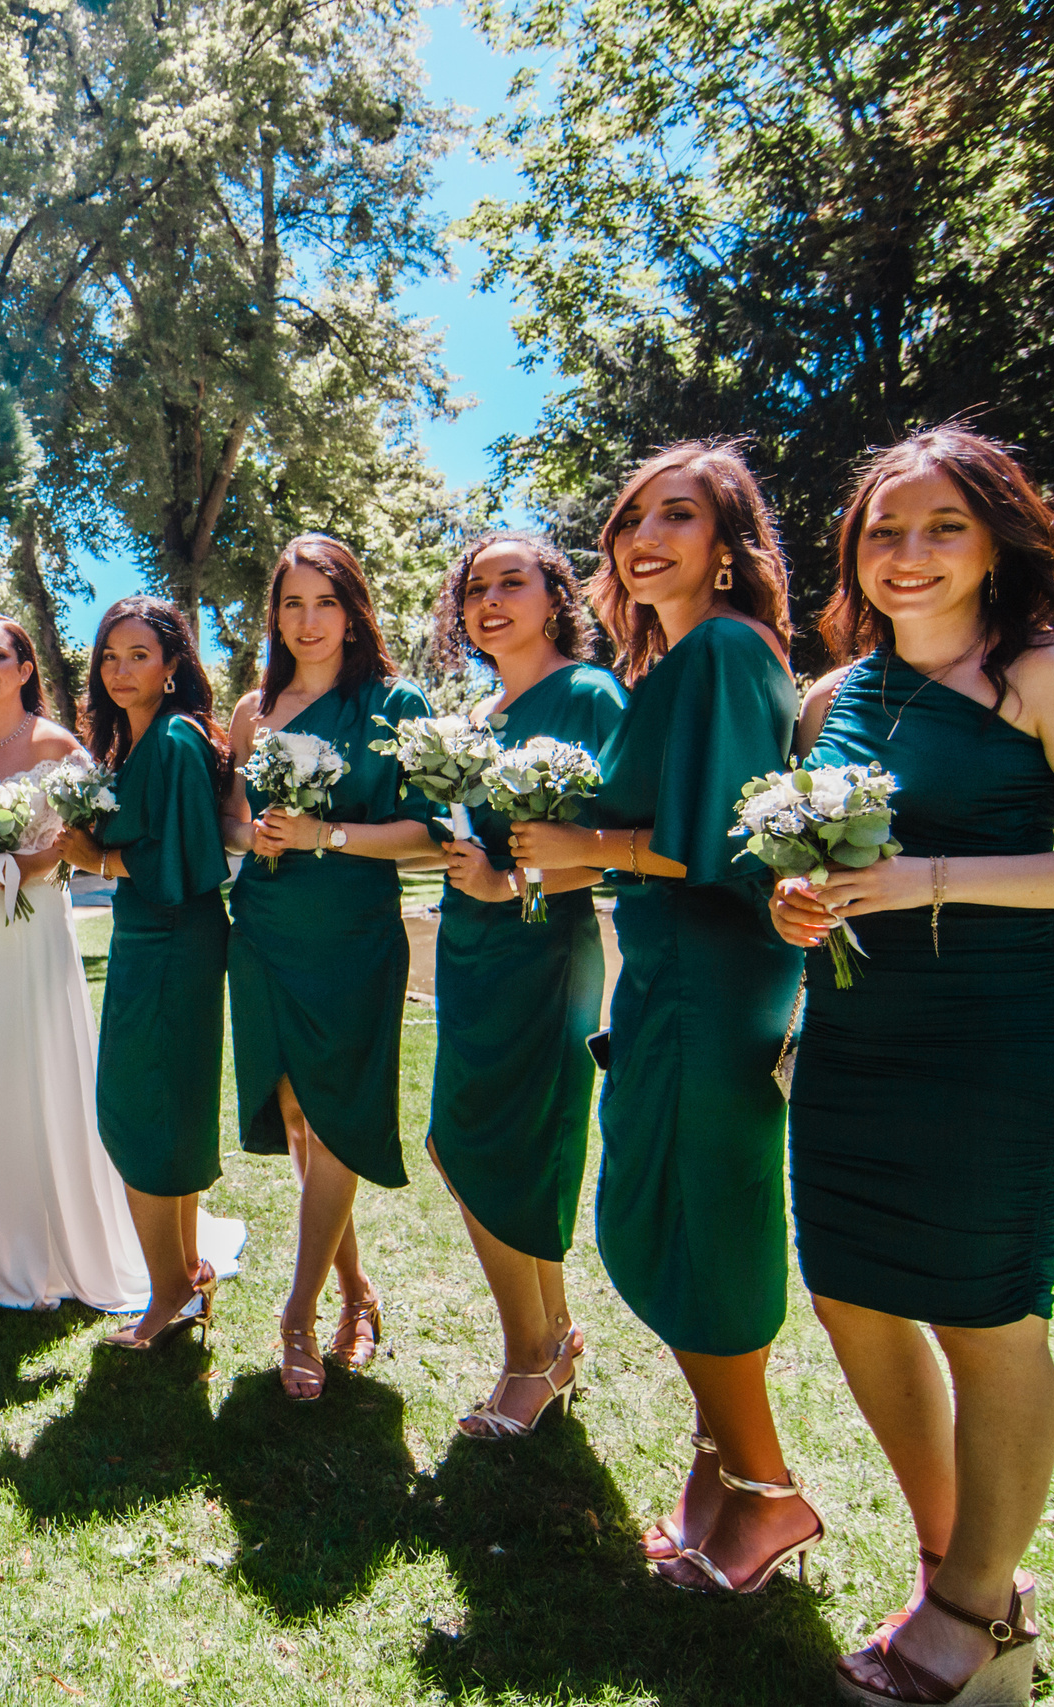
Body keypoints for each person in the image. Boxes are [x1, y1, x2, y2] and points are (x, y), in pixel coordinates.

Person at [770, 427, 1054, 1706]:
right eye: (883, 531)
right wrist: (805, 901)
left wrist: (927, 880)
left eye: (941, 526)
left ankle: (970, 1621)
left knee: (983, 1310)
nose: (908, 556)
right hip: (857, 1043)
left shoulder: (1051, 674)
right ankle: (966, 1563)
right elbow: (839, 864)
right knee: (848, 1292)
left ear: (998, 537)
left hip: (1003, 1045)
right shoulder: (830, 699)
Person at [509, 440, 812, 1593]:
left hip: (708, 975)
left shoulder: (727, 652)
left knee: (696, 1226)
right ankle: (717, 1478)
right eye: (629, 518)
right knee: (666, 1217)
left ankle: (769, 1495)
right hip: (666, 971)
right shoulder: (682, 660)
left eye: (674, 516)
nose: (642, 537)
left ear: (727, 547)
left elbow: (706, 845)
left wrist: (587, 847)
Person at [0, 615, 210, 1319]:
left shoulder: (62, 747)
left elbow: (81, 840)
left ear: (25, 669)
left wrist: (29, 860)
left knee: (33, 1082)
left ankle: (44, 1253)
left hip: (33, 926)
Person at [219, 535, 439, 1400]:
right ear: (274, 616)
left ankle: (299, 1314)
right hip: (265, 929)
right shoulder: (254, 710)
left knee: (335, 1112)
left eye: (324, 602)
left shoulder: (394, 701)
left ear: (353, 610)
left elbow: (429, 833)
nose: (306, 622)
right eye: (290, 604)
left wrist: (326, 833)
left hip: (352, 935)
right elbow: (232, 824)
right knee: (299, 1113)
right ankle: (353, 1289)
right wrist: (260, 832)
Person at [423, 531, 627, 1437]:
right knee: (468, 1144)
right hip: (470, 949)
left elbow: (626, 839)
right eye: (475, 588)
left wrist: (512, 883)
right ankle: (550, 1337)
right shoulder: (474, 715)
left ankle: (527, 1362)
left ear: (557, 597)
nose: (491, 600)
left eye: (514, 582)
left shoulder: (587, 695)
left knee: (493, 1146)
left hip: (543, 953)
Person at [57, 597, 236, 1351]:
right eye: (109, 656)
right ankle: (186, 1277)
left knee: (137, 1113)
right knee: (165, 1113)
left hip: (171, 944)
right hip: (148, 940)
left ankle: (165, 1294)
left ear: (172, 666)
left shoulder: (174, 742)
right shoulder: (132, 748)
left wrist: (89, 856)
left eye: (139, 655)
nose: (122, 669)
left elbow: (182, 862)